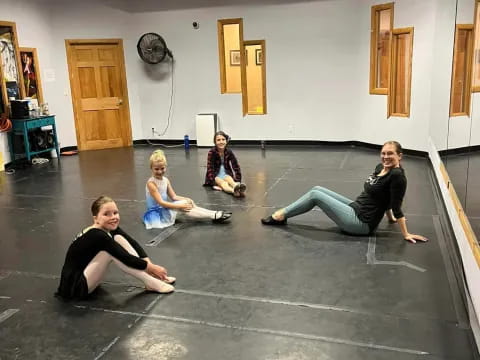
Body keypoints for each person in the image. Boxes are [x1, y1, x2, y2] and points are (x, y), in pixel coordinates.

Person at [261, 141, 428, 244]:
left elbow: (396, 204)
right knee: (317, 189)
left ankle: (280, 216)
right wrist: (389, 218)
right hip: (356, 207)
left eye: (390, 154)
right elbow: (385, 197)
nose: (385, 157)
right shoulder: (380, 168)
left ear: (400, 156)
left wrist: (406, 233)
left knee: (315, 196)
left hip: (360, 223)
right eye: (383, 153)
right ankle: (283, 215)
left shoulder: (398, 176)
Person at [56, 196, 175, 300]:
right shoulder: (97, 235)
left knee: (119, 238)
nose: (113, 217)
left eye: (115, 213)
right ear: (95, 218)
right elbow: (125, 258)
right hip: (74, 289)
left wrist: (150, 267)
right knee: (108, 253)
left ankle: (150, 278)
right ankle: (151, 282)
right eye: (106, 214)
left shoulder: (109, 228)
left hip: (87, 277)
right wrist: (152, 268)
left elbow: (133, 244)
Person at [144, 150, 232, 229]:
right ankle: (213, 215)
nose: (160, 171)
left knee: (187, 203)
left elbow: (174, 196)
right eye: (156, 169)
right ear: (151, 168)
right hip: (157, 214)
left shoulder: (165, 180)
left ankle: (213, 213)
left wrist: (186, 199)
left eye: (162, 168)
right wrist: (180, 206)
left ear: (165, 167)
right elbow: (161, 203)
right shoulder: (151, 183)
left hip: (164, 208)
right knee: (183, 207)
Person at [204, 131, 246, 197]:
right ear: (215, 142)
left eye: (223, 139)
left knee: (229, 179)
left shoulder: (229, 151)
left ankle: (236, 186)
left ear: (226, 141)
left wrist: (238, 180)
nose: (221, 142)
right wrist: (213, 184)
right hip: (215, 175)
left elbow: (235, 165)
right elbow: (210, 168)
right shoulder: (212, 152)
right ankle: (233, 191)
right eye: (218, 140)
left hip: (225, 172)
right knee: (223, 183)